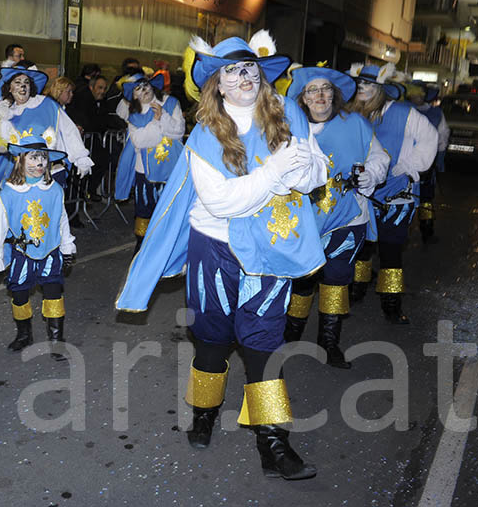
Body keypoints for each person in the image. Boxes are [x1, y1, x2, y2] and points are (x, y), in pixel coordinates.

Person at [116, 31, 328, 480]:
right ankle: (205, 414)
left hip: (270, 248)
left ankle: (273, 443)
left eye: (249, 66)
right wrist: (275, 171)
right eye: (231, 70)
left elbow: (315, 174)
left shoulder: (287, 113)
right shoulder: (206, 134)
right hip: (214, 249)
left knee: (263, 344)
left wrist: (304, 167)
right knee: (211, 342)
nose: (244, 76)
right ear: (217, 83)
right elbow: (224, 203)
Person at [281, 66, 389, 368]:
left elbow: (380, 157)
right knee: (302, 277)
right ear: (302, 97)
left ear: (334, 94)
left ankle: (329, 342)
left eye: (325, 89)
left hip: (347, 216)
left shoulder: (354, 123)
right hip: (302, 217)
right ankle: (291, 332)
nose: (320, 95)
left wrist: (371, 175)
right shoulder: (290, 127)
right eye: (312, 90)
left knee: (336, 277)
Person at [344, 63, 438, 325]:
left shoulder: (402, 112)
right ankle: (357, 291)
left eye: (369, 84)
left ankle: (392, 305)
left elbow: (430, 138)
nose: (362, 89)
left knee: (390, 251)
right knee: (361, 247)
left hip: (396, 197)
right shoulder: (350, 114)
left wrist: (408, 169)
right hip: (361, 195)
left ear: (381, 89)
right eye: (359, 84)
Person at [0, 136, 76, 361]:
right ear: (21, 161)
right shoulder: (10, 193)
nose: (39, 164)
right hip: (22, 254)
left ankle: (56, 339)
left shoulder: (54, 190)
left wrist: (67, 246)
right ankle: (24, 334)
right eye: (33, 158)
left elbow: (61, 219)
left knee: (54, 293)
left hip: (50, 252)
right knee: (19, 295)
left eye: (43, 158)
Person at [0, 64, 94, 197]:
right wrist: (3, 119)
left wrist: (80, 157)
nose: (23, 86)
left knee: (48, 212)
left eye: (26, 82)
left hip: (51, 170)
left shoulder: (47, 105)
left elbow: (68, 130)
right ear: (9, 88)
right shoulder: (8, 112)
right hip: (21, 175)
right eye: (17, 82)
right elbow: (1, 147)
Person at [113, 72, 185, 252]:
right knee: (145, 209)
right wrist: (156, 121)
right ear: (134, 95)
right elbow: (141, 141)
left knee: (169, 209)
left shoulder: (171, 103)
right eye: (138, 88)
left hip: (172, 168)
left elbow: (178, 131)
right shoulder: (134, 115)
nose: (144, 90)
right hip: (144, 170)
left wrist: (163, 117)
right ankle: (142, 248)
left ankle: (168, 248)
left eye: (145, 85)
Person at [406, 82, 448, 244]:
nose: (416, 96)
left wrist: (437, 160)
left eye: (419, 93)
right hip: (405, 164)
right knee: (406, 198)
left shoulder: (436, 113)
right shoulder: (401, 109)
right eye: (413, 92)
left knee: (425, 198)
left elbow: (442, 137)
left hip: (425, 165)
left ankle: (427, 229)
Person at [67, 74, 111, 202]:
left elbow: (104, 120)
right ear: (91, 87)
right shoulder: (82, 99)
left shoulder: (102, 101)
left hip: (92, 140)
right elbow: (91, 122)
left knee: (102, 160)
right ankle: (82, 194)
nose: (102, 91)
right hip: (82, 142)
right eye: (100, 88)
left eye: (104, 88)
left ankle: (87, 192)